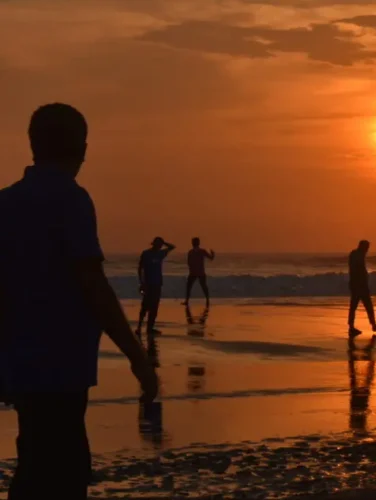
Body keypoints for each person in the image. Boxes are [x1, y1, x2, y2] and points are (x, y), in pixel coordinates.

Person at [0, 103, 157, 499]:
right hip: (62, 363)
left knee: (34, 462)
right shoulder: (71, 199)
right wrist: (136, 354)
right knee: (63, 471)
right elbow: (92, 283)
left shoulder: (6, 203)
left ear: (32, 144)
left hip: (20, 363)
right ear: (82, 148)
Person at [348, 240, 376, 337]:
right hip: (359, 285)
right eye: (367, 247)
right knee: (363, 306)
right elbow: (358, 270)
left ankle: (354, 326)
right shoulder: (357, 255)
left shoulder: (355, 254)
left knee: (357, 306)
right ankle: (355, 327)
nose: (367, 250)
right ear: (363, 247)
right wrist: (363, 282)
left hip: (357, 284)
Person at [138, 237, 176, 335]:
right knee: (145, 306)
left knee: (154, 307)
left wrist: (164, 242)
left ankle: (150, 328)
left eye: (160, 245)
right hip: (148, 283)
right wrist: (142, 283)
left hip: (157, 283)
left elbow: (172, 247)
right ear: (153, 244)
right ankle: (139, 327)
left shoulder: (161, 253)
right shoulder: (146, 254)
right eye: (158, 244)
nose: (159, 246)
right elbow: (140, 268)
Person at [185, 237, 215, 307]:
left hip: (200, 272)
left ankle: (207, 300)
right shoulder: (191, 252)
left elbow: (211, 258)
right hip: (193, 272)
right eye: (193, 242)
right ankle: (187, 301)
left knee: (203, 286)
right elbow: (188, 262)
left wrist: (213, 254)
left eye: (194, 242)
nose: (193, 243)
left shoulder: (201, 251)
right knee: (189, 287)